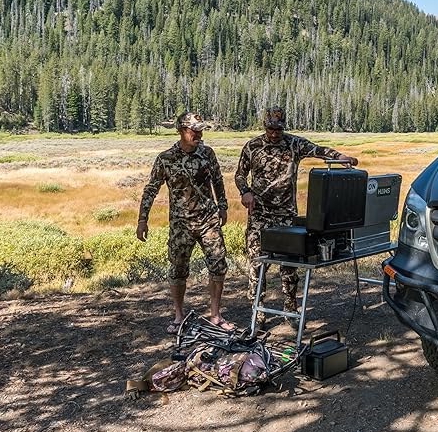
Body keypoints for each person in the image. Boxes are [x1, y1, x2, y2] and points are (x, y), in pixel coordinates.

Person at [234, 105, 358, 327]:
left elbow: (317, 150)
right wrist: (246, 192)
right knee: (257, 265)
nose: (274, 134)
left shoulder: (294, 144)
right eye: (270, 129)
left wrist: (340, 156)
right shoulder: (252, 146)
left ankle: (290, 308)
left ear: (284, 127)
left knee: (289, 266)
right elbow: (240, 174)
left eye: (278, 129)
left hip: (286, 216)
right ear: (264, 126)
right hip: (259, 216)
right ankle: (257, 312)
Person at [137, 112, 233, 333]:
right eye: (194, 130)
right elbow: (151, 189)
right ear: (181, 130)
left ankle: (216, 315)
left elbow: (218, 181)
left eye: (200, 130)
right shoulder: (166, 158)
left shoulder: (208, 154)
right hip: (181, 224)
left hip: (209, 220)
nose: (199, 134)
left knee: (218, 265)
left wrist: (223, 206)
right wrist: (143, 220)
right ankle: (179, 316)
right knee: (178, 269)